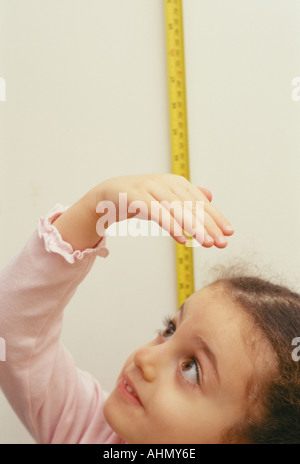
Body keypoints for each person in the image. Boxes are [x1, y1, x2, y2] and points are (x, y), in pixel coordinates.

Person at [0, 173, 299, 444]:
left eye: (191, 368)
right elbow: (12, 333)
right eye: (169, 330)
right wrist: (93, 209)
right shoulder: (94, 434)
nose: (144, 357)